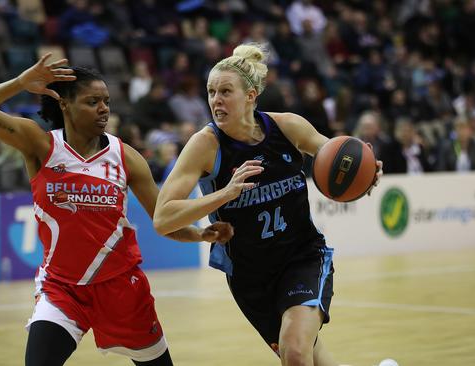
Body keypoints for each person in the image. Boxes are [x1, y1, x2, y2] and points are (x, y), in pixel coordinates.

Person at [0, 54, 232, 366]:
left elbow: (165, 221)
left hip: (121, 288)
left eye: (106, 101)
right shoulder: (40, 144)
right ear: (65, 105)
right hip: (62, 287)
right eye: (93, 101)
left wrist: (201, 233)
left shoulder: (126, 157)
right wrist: (21, 83)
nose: (104, 108)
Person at [153, 44, 383, 366]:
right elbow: (163, 218)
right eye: (211, 92)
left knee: (296, 351)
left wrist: (368, 168)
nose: (216, 100)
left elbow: (340, 156)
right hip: (249, 275)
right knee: (308, 358)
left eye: (225, 92)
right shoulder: (205, 145)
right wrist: (224, 194)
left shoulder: (288, 127)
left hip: (301, 255)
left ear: (250, 96)